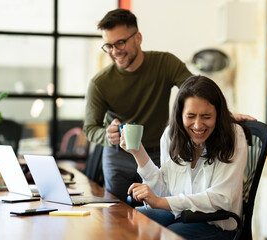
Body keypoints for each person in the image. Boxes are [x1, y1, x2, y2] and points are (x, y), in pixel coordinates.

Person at [83, 8, 254, 203]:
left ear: (138, 38)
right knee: (117, 212)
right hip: (118, 156)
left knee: (154, 212)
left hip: (158, 152)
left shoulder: (164, 63)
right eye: (108, 46)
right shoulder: (100, 83)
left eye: (120, 42)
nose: (115, 51)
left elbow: (198, 93)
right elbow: (90, 128)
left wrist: (223, 114)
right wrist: (106, 135)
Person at [120, 75, 250, 239]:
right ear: (180, 114)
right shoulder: (171, 135)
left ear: (218, 114)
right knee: (128, 220)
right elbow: (165, 190)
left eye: (206, 117)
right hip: (180, 215)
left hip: (216, 224)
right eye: (190, 116)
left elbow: (221, 198)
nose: (197, 125)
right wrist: (138, 151)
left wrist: (160, 202)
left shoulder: (233, 135)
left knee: (165, 236)